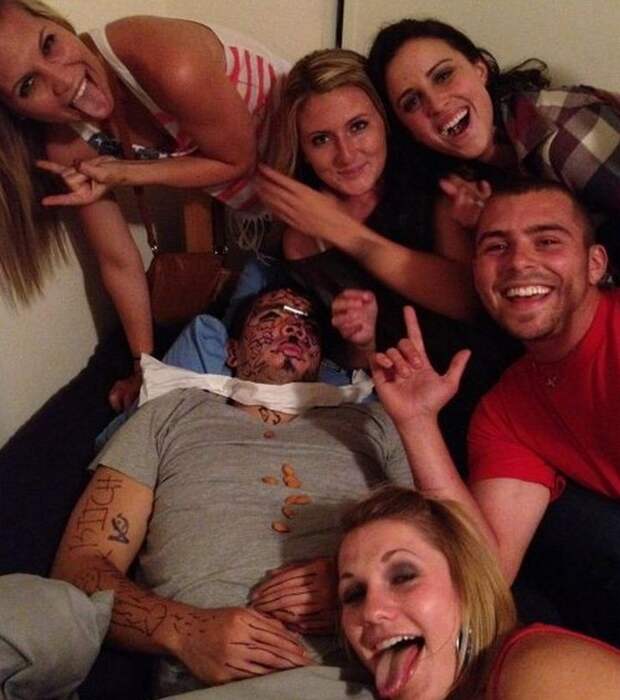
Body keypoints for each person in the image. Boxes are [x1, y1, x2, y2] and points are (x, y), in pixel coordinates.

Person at [51, 285, 413, 699]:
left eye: (307, 323)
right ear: (232, 352)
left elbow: (446, 544)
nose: (294, 327)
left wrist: (360, 584)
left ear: (321, 358)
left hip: (363, 680)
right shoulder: (169, 416)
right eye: (272, 315)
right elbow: (79, 566)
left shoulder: (374, 423)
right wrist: (185, 631)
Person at [0, 0, 289, 410]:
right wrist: (144, 366)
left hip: (330, 182)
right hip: (282, 212)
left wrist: (124, 173)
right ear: (17, 112)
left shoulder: (161, 58)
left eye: (49, 44)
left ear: (60, 25)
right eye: (28, 85)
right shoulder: (67, 144)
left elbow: (237, 159)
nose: (62, 81)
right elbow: (117, 261)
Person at [369, 180, 620, 643]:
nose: (519, 262)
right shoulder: (505, 409)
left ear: (595, 264)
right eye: (497, 247)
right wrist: (417, 423)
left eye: (547, 241)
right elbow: (489, 571)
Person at [257, 47, 488, 333]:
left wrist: (339, 229)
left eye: (358, 126)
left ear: (384, 120)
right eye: (321, 139)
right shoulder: (301, 238)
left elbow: (471, 302)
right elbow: (351, 348)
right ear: (302, 150)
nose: (346, 155)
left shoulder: (438, 186)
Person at [365, 17, 620, 273]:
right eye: (411, 102)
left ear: (480, 70)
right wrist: (485, 225)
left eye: (443, 76)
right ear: (407, 129)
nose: (437, 104)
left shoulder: (562, 133)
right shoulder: (456, 183)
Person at [337, 484, 620, 700]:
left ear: (466, 580)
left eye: (403, 577)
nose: (371, 612)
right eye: (354, 594)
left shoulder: (539, 670)